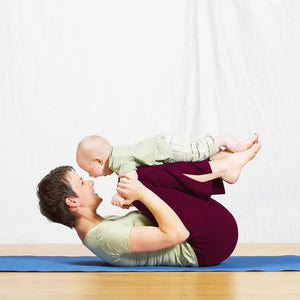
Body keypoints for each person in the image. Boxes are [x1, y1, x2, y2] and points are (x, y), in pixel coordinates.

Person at [37, 134, 261, 267]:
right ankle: (218, 165)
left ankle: (219, 164)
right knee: (137, 178)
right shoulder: (103, 237)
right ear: (72, 202)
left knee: (135, 175)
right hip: (209, 245)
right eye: (82, 183)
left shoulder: (100, 228)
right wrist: (140, 195)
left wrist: (135, 198)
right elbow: (176, 234)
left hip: (212, 237)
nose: (91, 182)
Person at [76, 133, 249, 206]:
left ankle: (222, 140)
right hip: (163, 148)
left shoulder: (118, 160)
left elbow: (130, 177)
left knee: (194, 152)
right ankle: (226, 155)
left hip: (166, 149)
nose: (90, 175)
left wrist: (119, 195)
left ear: (99, 161)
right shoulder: (118, 157)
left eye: (89, 170)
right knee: (195, 159)